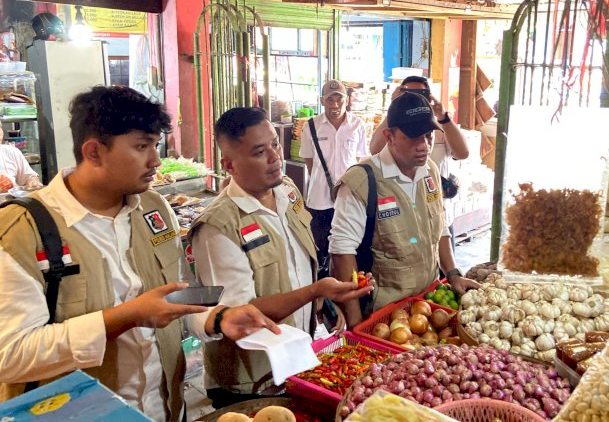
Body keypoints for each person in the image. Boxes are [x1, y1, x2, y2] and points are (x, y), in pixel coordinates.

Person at [0, 86, 278, 422]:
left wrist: (217, 317)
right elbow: (10, 354)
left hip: (164, 409)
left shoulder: (152, 208)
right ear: (93, 152)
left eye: (155, 145)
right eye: (142, 146)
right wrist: (125, 317)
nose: (155, 160)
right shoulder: (23, 230)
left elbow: (175, 297)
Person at [188, 106, 372, 408]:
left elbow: (297, 265)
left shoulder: (287, 190)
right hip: (252, 382)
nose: (276, 157)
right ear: (229, 164)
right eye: (260, 152)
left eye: (275, 144)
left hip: (295, 361)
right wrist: (315, 290)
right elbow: (242, 313)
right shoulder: (218, 227)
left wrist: (321, 303)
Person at [329, 92, 479, 327]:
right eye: (412, 137)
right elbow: (341, 252)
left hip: (427, 304)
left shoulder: (429, 170)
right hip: (383, 316)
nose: (423, 146)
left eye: (428, 136)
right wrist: (356, 322)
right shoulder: (362, 181)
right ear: (389, 136)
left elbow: (440, 229)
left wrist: (452, 273)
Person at [369, 76, 470, 245]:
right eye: (408, 93)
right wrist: (394, 110)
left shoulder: (439, 127)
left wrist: (442, 116)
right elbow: (375, 149)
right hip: (402, 217)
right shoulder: (396, 130)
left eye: (421, 94)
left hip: (437, 214)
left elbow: (463, 153)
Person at [299, 79, 368, 274]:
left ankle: (344, 285)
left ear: (347, 100)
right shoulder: (310, 126)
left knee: (346, 246)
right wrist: (322, 181)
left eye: (339, 99)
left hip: (348, 198)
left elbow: (359, 160)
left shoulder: (357, 126)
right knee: (320, 248)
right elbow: (309, 161)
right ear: (322, 101)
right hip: (319, 199)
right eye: (330, 100)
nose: (335, 104)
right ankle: (321, 289)